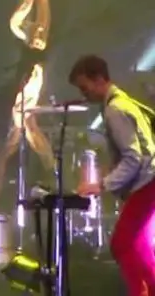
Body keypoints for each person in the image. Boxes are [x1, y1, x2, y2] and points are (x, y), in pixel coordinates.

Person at [69, 55, 155, 296]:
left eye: (84, 87)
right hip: (149, 181)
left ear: (98, 79)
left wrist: (102, 184)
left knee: (121, 243)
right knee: (138, 244)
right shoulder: (124, 102)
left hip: (148, 183)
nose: (84, 94)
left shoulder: (114, 110)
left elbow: (134, 158)